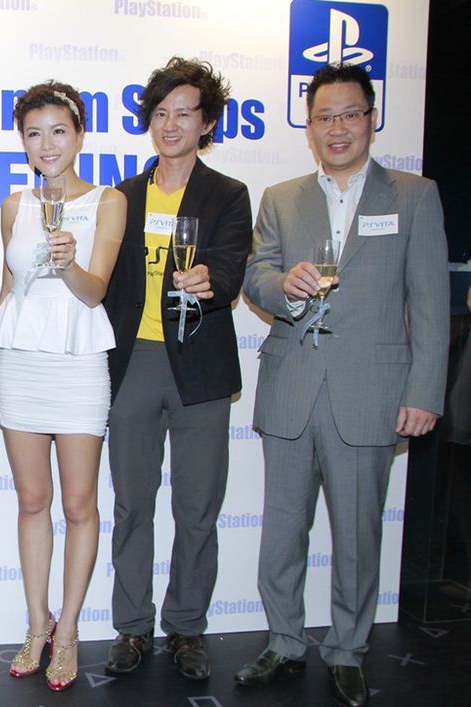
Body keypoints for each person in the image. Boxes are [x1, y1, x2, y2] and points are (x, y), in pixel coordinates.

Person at [236, 63, 448, 707]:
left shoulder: (414, 196)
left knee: (358, 535)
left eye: (349, 114)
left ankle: (348, 649)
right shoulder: (281, 197)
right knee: (282, 531)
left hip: (370, 391)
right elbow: (255, 276)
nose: (337, 128)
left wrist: (424, 392)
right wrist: (284, 287)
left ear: (371, 119)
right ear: (308, 126)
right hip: (292, 385)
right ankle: (284, 640)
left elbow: (430, 303)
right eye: (324, 116)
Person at [101, 57, 252, 681]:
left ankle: (187, 626)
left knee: (197, 507)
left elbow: (232, 269)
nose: (170, 124)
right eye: (160, 113)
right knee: (132, 504)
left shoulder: (229, 194)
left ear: (206, 122)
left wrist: (210, 278)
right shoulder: (123, 196)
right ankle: (132, 627)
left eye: (184, 113)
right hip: (132, 361)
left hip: (200, 365)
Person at [0, 81, 125, 691]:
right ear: (23, 141)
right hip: (20, 362)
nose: (47, 144)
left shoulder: (109, 201)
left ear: (79, 135)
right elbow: (8, 289)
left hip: (78, 361)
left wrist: (68, 263)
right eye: (34, 133)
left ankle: (67, 631)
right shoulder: (14, 205)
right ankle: (36, 625)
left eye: (59, 131)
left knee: (79, 505)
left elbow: (96, 292)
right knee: (32, 500)